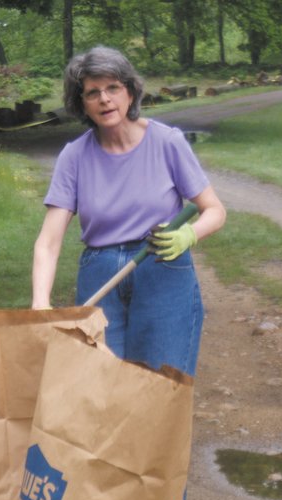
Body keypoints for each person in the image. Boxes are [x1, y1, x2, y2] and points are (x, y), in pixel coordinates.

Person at [31, 45, 226, 376]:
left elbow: (214, 210)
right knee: (101, 389)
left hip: (161, 267)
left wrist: (188, 234)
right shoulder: (73, 156)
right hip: (100, 274)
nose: (104, 99)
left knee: (162, 385)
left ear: (131, 91)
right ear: (81, 103)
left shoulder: (167, 142)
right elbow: (48, 243)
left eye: (113, 88)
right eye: (93, 93)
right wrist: (40, 303)